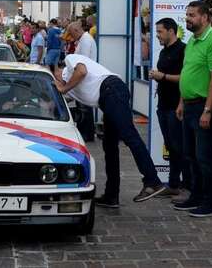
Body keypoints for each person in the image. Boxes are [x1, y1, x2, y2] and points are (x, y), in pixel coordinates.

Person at [54, 54, 167, 207]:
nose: (56, 79)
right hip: (107, 99)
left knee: (129, 136)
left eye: (55, 74)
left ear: (59, 68)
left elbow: (82, 71)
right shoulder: (69, 87)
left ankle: (152, 181)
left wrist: (63, 87)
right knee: (109, 146)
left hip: (112, 90)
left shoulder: (70, 61)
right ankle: (111, 196)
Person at [176, 0, 212, 217]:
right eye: (187, 15)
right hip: (189, 105)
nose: (188, 18)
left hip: (204, 107)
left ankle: (211, 201)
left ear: (205, 17)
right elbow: (188, 72)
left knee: (205, 156)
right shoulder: (192, 41)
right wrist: (181, 102)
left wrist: (207, 110)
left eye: (192, 15)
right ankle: (196, 196)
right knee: (191, 155)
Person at [149, 18, 189, 196]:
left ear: (171, 31)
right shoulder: (164, 51)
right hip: (163, 104)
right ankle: (174, 183)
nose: (157, 35)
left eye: (160, 32)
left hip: (176, 105)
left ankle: (186, 184)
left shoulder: (183, 50)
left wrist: (162, 76)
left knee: (179, 146)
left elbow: (185, 78)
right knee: (171, 146)